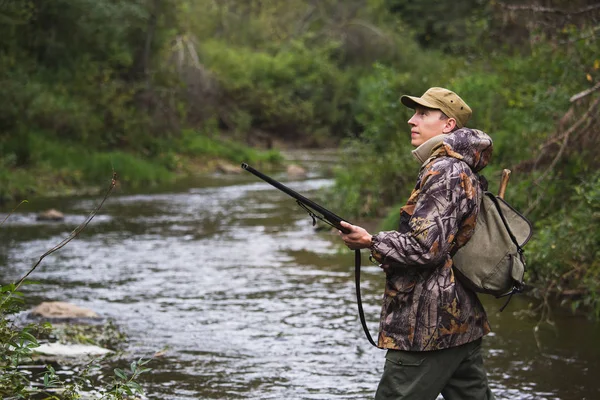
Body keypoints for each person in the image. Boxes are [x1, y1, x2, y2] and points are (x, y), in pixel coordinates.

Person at [339, 87, 495, 400]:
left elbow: (427, 248)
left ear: (448, 125)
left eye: (423, 114)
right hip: (458, 320)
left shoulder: (445, 170)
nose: (412, 120)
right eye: (414, 113)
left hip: (428, 326)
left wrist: (372, 241)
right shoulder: (458, 167)